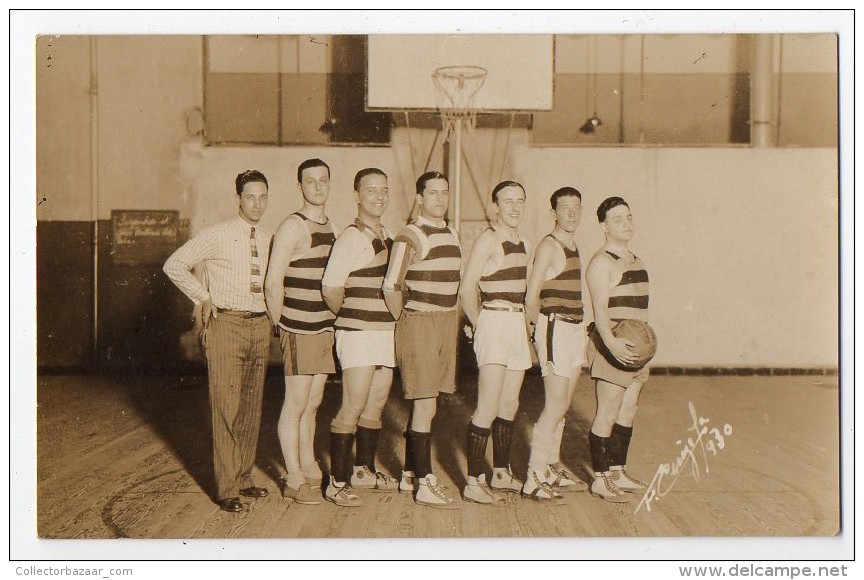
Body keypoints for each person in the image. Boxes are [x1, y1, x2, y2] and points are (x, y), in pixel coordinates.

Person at [163, 169, 272, 513]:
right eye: (250, 197)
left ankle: (244, 478)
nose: (257, 203)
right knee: (227, 407)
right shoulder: (218, 235)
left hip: (260, 325)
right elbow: (174, 264)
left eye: (262, 196)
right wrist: (202, 297)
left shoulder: (270, 238)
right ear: (238, 199)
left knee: (251, 409)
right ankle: (227, 489)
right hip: (226, 324)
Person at [321, 167, 399, 507]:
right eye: (371, 190)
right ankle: (336, 481)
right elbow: (330, 289)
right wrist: (352, 317)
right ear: (357, 196)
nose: (378, 196)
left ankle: (363, 470)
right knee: (352, 404)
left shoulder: (390, 234)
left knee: (376, 403)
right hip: (357, 332)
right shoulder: (350, 238)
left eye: (383, 190)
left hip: (384, 332)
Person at [383, 171, 461, 509]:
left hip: (445, 323)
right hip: (420, 324)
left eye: (445, 193)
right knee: (425, 404)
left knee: (429, 404)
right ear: (419, 198)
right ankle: (426, 483)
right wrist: (406, 319)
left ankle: (410, 475)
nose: (440, 199)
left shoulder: (451, 232)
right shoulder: (409, 235)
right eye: (433, 193)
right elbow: (390, 285)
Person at [264, 158, 337, 505]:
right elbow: (272, 282)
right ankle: (293, 478)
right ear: (300, 186)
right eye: (311, 181)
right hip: (299, 327)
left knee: (314, 402)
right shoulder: (292, 226)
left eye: (324, 180)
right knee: (295, 404)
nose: (318, 187)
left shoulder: (331, 225)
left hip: (324, 328)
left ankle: (308, 465)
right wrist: (282, 326)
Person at [459, 180, 533, 506]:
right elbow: (465, 290)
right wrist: (481, 325)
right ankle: (473, 481)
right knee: (487, 406)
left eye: (520, 201)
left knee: (509, 405)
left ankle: (501, 472)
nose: (515, 207)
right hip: (494, 319)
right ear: (495, 207)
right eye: (508, 201)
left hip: (516, 322)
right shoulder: (488, 240)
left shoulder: (525, 243)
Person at [523, 187, 590, 501]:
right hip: (555, 329)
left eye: (577, 207)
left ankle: (549, 467)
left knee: (562, 406)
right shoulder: (549, 246)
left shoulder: (573, 244)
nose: (572, 213)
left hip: (574, 330)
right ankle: (533, 476)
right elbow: (531, 296)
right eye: (566, 208)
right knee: (554, 405)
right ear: (553, 213)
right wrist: (539, 333)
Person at [584, 196, 650, 503]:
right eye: (617, 219)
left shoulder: (635, 259)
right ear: (604, 226)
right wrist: (612, 346)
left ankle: (617, 470)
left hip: (635, 350)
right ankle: (600, 479)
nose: (626, 223)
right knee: (608, 412)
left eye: (628, 217)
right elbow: (599, 312)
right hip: (614, 346)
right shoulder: (602, 262)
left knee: (628, 409)